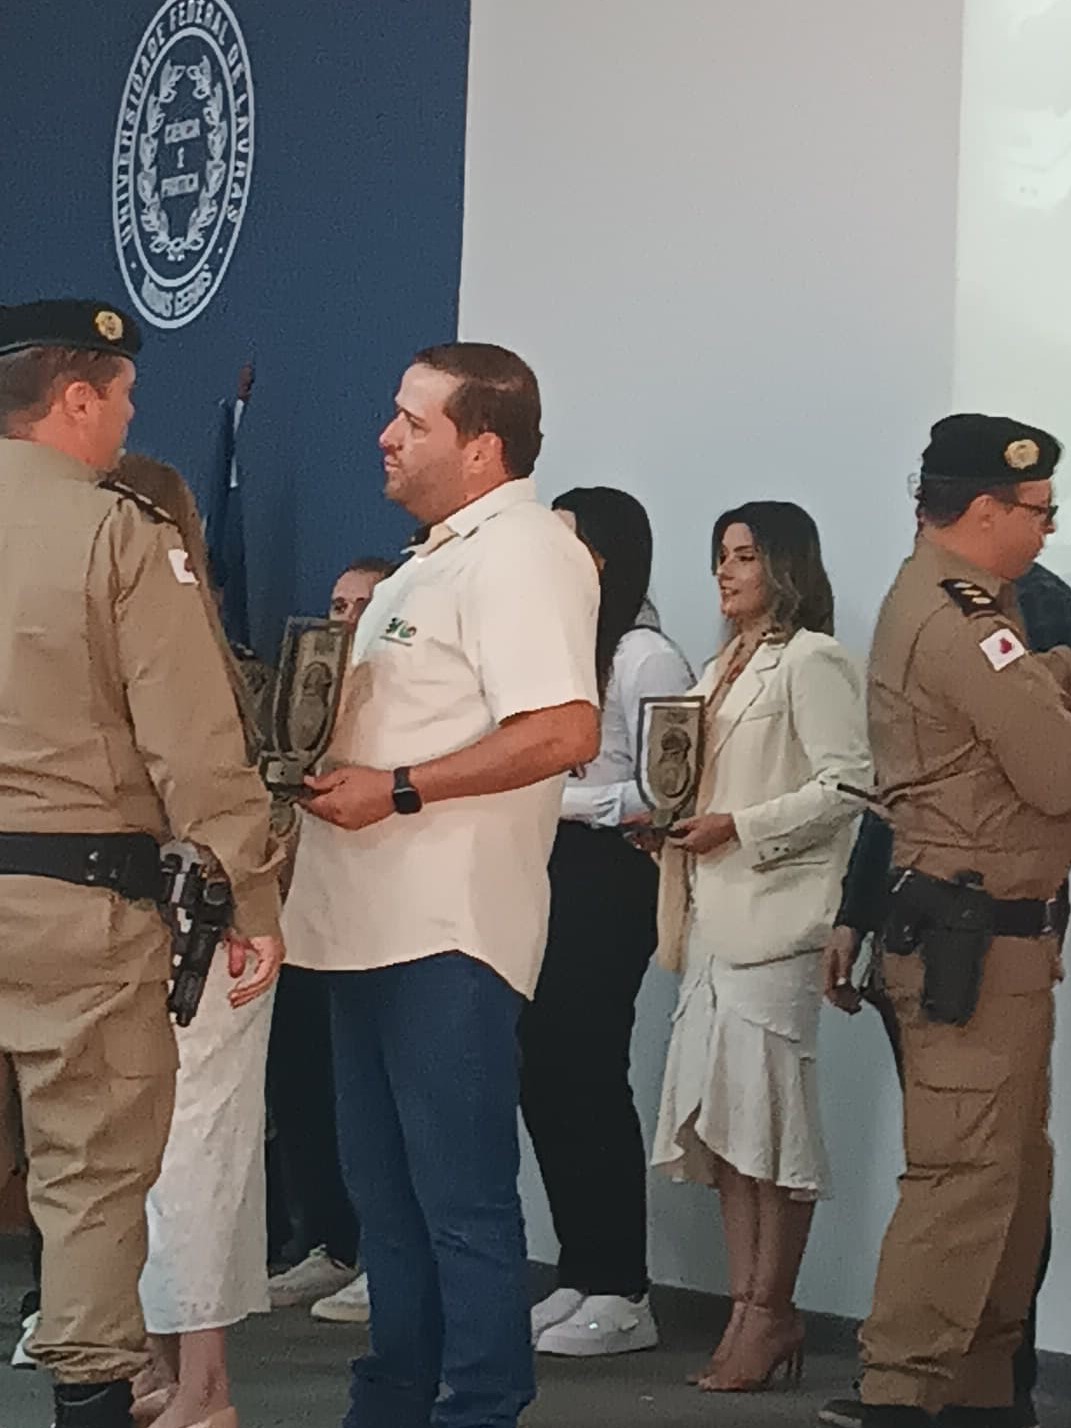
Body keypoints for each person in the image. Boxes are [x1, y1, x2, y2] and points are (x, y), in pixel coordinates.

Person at [283, 343, 599, 1428]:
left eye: (412, 422)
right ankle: (396, 1402)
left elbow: (563, 729)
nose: (386, 435)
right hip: (362, 922)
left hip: (443, 930)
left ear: (483, 448)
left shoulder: (523, 552)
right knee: (389, 1208)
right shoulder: (432, 560)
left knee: (458, 1205)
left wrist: (404, 787)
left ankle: (477, 1407)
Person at [0, 298, 285, 1428]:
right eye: (120, 399)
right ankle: (85, 1400)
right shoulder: (118, 535)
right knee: (90, 1180)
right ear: (77, 397)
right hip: (77, 908)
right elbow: (198, 749)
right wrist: (252, 897)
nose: (126, 423)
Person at [847, 414, 1071, 1427]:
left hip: (1003, 940)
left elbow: (1028, 686)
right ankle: (901, 1389)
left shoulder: (966, 605)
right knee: (965, 1172)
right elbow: (1058, 769)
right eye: (1039, 511)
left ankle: (973, 1383)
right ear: (983, 510)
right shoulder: (954, 617)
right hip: (973, 935)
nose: (1048, 529)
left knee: (1010, 1171)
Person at [646, 501, 867, 1392]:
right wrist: (661, 823)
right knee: (730, 1129)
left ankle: (772, 1307)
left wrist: (743, 826)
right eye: (720, 557)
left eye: (744, 556)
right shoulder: (716, 668)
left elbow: (850, 783)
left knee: (772, 1126)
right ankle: (746, 1306)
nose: (726, 572)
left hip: (775, 920)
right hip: (709, 920)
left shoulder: (810, 660)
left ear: (785, 564)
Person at [94, 455, 284, 1428]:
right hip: (132, 926)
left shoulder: (179, 636)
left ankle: (205, 1388)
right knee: (149, 1158)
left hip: (204, 926)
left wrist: (253, 909)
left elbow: (210, 789)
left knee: (196, 1155)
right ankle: (165, 1367)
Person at [521, 487, 694, 1358]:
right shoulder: (554, 650)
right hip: (543, 870)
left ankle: (625, 1287)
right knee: (540, 1070)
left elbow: (673, 787)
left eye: (568, 544)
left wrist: (563, 796)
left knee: (587, 1068)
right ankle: (580, 1267)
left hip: (609, 876)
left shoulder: (644, 655)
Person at [269, 557, 401, 1326]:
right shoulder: (306, 688)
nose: (345, 617)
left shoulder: (392, 692)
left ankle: (382, 1258)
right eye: (337, 603)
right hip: (302, 904)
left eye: (364, 604)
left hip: (380, 908)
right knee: (302, 1077)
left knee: (379, 1097)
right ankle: (326, 1238)